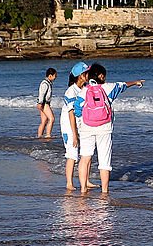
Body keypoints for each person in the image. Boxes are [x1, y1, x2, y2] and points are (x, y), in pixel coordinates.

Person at [77, 63, 145, 194]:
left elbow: (78, 109)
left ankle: (83, 189)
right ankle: (104, 191)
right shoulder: (109, 87)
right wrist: (136, 82)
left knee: (85, 157)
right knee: (104, 160)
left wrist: (83, 121)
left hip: (86, 128)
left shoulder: (85, 90)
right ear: (101, 76)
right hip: (104, 127)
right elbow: (123, 85)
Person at [60, 62, 89, 191]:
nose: (88, 75)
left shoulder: (85, 88)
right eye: (86, 73)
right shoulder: (71, 91)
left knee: (86, 152)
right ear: (80, 76)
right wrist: (75, 134)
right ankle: (69, 183)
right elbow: (71, 115)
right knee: (72, 154)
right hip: (69, 126)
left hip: (81, 124)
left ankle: (86, 180)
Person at [36, 67, 57, 139]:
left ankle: (39, 136)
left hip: (43, 103)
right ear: (50, 75)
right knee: (52, 119)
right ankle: (48, 135)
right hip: (44, 103)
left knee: (44, 121)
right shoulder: (45, 83)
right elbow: (42, 94)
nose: (55, 77)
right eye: (55, 76)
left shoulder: (47, 83)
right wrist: (40, 103)